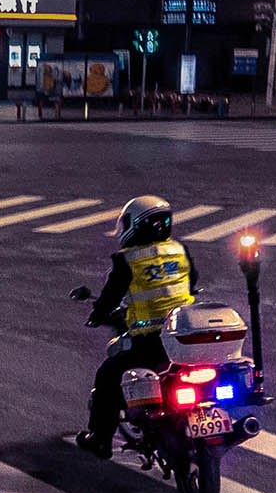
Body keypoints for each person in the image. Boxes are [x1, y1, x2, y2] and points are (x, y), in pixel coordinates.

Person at [78, 196, 194, 458]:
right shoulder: (179, 250)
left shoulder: (128, 260)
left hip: (149, 342)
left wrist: (97, 314)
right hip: (184, 340)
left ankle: (100, 439)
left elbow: (110, 296)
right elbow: (192, 282)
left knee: (108, 376)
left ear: (135, 225)